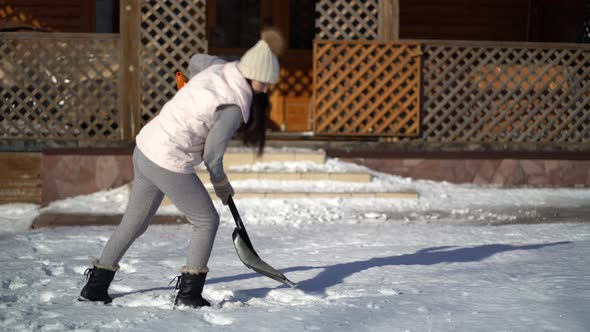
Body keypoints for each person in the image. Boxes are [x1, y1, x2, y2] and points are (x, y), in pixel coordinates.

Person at [79, 28, 284, 308]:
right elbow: (212, 155)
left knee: (135, 221)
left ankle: (95, 287)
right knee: (206, 221)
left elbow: (196, 59)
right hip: (168, 158)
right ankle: (189, 294)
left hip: (147, 146)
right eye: (265, 82)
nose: (267, 88)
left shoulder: (218, 68)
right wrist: (221, 184)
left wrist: (193, 89)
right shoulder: (233, 106)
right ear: (251, 73)